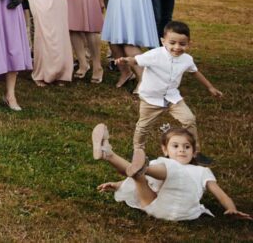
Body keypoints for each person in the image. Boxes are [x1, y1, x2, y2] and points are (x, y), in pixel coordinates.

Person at [114, 20, 221, 164]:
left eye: (182, 44)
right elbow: (136, 60)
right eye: (172, 43)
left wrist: (210, 87)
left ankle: (195, 153)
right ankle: (138, 151)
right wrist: (124, 60)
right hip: (151, 98)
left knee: (189, 120)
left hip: (172, 97)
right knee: (143, 126)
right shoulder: (154, 55)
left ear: (189, 43)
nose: (177, 47)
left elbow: (195, 72)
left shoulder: (187, 59)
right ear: (163, 41)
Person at [90, 125, 249, 221]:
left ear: (194, 152)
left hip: (180, 209)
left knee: (163, 168)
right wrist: (118, 185)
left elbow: (220, 194)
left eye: (187, 147)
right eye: (175, 146)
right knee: (139, 177)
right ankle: (107, 154)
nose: (181, 150)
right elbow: (139, 180)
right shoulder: (162, 163)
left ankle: (137, 166)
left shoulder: (201, 171)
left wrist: (231, 208)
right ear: (165, 149)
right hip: (152, 206)